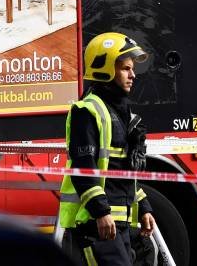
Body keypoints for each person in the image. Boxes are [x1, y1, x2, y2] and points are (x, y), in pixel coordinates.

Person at [60, 32, 155, 265]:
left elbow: (119, 170)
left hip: (117, 224)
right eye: (125, 69)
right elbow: (84, 167)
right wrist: (100, 212)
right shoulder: (88, 111)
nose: (133, 75)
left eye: (132, 69)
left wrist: (143, 206)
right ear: (104, 68)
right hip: (95, 224)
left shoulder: (121, 113)